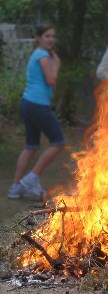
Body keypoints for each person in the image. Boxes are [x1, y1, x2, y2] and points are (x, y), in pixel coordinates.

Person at [8, 24, 65, 199]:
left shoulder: (39, 55)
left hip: (28, 103)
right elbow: (51, 80)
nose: (51, 39)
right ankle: (32, 178)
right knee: (58, 142)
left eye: (53, 36)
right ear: (38, 38)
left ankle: (16, 188)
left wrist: (54, 64)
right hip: (37, 105)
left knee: (31, 146)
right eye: (47, 36)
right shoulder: (42, 56)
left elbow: (51, 84)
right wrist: (57, 65)